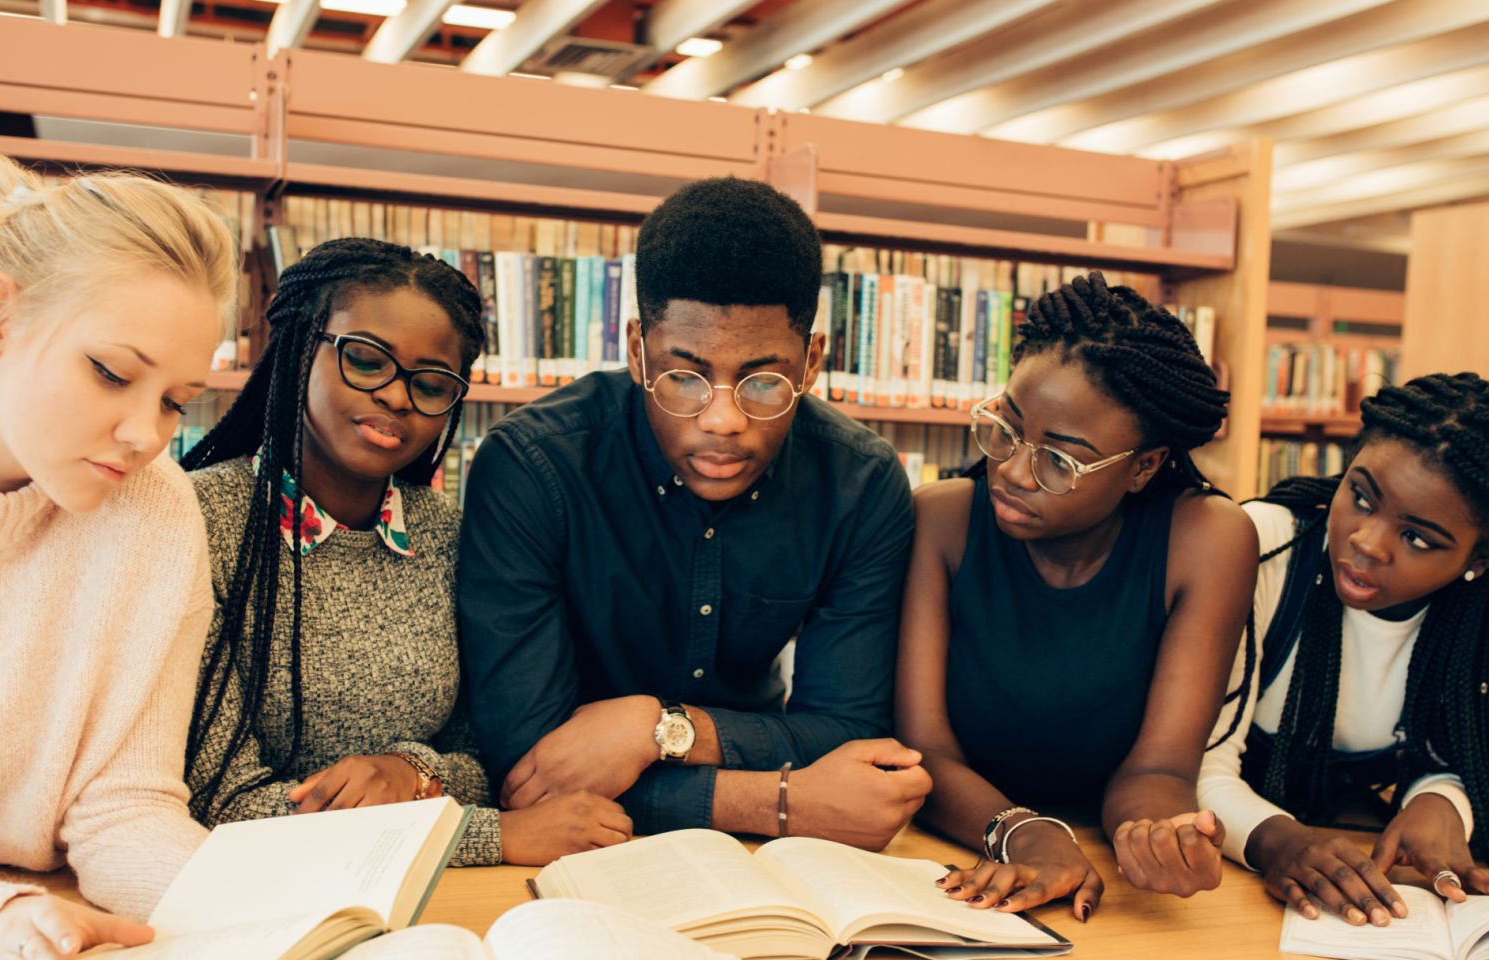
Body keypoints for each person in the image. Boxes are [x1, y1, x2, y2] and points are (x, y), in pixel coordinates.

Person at [457, 177, 930, 847]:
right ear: (635, 348)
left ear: (813, 362)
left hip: (762, 856)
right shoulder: (532, 468)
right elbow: (531, 770)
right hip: (579, 845)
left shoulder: (861, 482)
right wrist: (777, 802)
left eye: (764, 381)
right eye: (684, 376)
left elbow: (849, 730)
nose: (723, 420)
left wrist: (656, 729)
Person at [0, 154, 239, 957]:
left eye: (176, 401)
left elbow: (124, 807)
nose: (148, 436)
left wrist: (275, 912)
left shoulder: (157, 510)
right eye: (112, 373)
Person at [181, 238, 630, 866]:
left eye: (430, 382)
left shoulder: (453, 534)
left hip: (433, 896)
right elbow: (220, 804)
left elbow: (489, 759)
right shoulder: (199, 525)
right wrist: (490, 837)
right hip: (259, 890)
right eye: (366, 361)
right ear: (300, 346)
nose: (396, 397)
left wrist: (409, 771)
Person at [899, 271, 1258, 921]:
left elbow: (1159, 768)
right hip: (955, 843)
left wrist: (1158, 836)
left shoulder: (1208, 539)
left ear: (1143, 466)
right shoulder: (943, 520)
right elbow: (926, 748)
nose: (1010, 469)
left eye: (1058, 461)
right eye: (1007, 430)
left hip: (1098, 858)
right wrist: (1025, 833)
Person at [1200, 372, 1489, 927]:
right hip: (1223, 875)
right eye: (1361, 496)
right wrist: (1280, 843)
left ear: (1484, 557)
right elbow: (1190, 763)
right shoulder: (1262, 544)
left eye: (1417, 537)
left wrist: (1440, 804)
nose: (1367, 542)